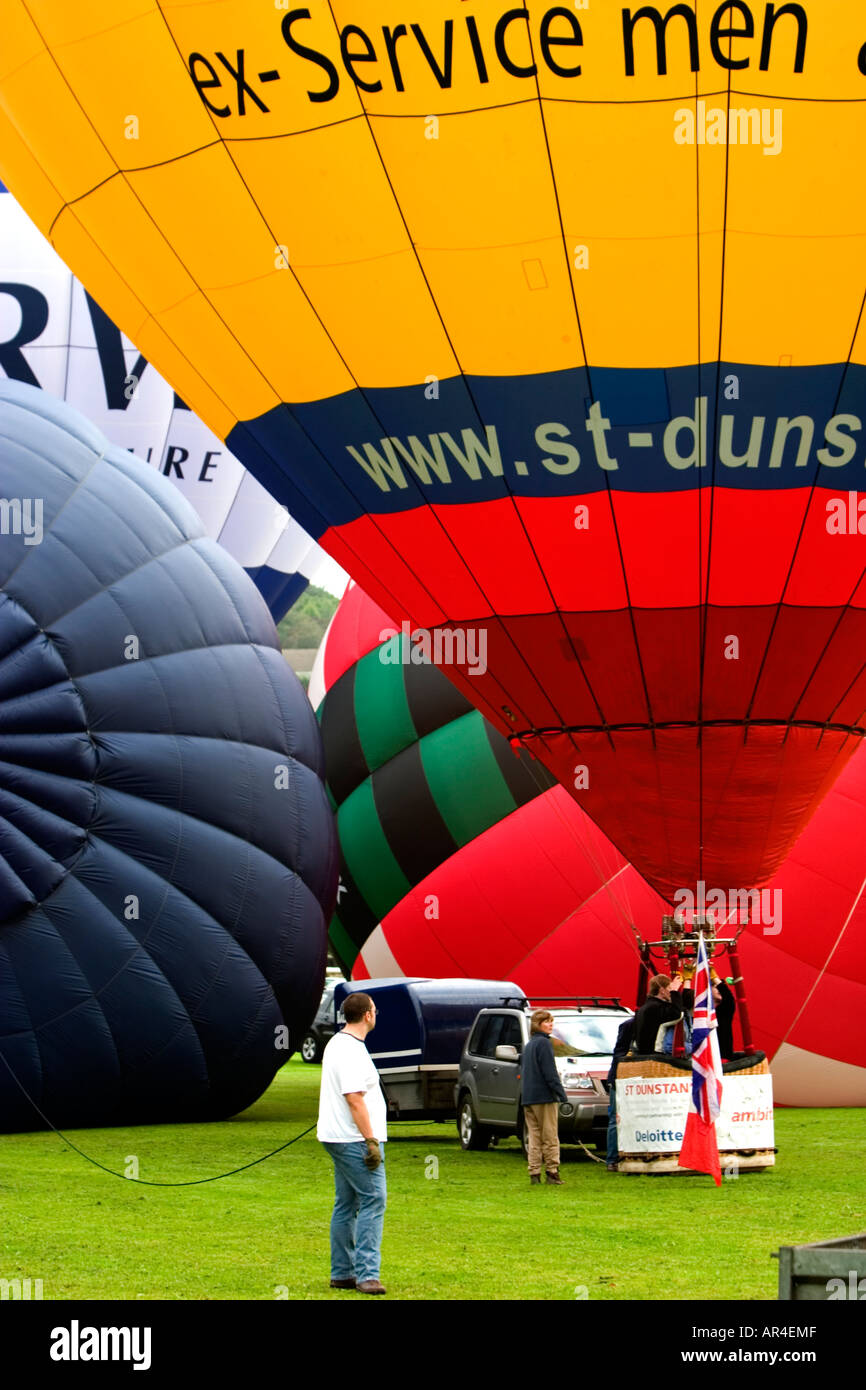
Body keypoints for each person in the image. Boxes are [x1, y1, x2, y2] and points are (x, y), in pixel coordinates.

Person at [317, 992, 388, 1295]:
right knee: (374, 1198)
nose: (376, 1015)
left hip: (340, 1136)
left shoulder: (340, 1043)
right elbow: (354, 1099)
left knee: (346, 1203)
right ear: (367, 1015)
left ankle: (342, 1273)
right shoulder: (349, 1050)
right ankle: (367, 1275)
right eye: (375, 1010)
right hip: (354, 1138)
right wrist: (371, 1140)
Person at [521, 1009, 568, 1185]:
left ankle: (534, 1172)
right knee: (550, 1136)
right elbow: (550, 1072)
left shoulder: (529, 1045)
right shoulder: (544, 1044)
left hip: (528, 1097)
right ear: (538, 1025)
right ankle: (552, 1171)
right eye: (547, 1022)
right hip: (544, 1097)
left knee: (534, 1137)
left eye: (551, 1021)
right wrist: (561, 1093)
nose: (551, 1025)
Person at [605, 1014, 635, 1172]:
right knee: (615, 1118)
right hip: (619, 1077)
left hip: (628, 1077)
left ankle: (622, 1156)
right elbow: (619, 1053)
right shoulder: (628, 1025)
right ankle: (612, 1159)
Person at [632, 973, 685, 1054]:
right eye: (669, 988)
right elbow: (677, 1014)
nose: (670, 992)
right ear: (662, 990)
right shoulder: (655, 1007)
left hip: (642, 1054)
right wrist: (674, 991)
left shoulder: (646, 1006)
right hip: (653, 1055)